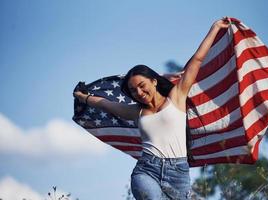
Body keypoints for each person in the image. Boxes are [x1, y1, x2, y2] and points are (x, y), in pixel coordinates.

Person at [74, 17, 231, 200]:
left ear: (154, 81)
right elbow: (104, 104)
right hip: (146, 170)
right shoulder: (136, 112)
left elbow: (197, 60)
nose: (139, 92)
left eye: (142, 85)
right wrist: (83, 97)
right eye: (133, 90)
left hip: (178, 175)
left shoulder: (177, 97)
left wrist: (215, 28)